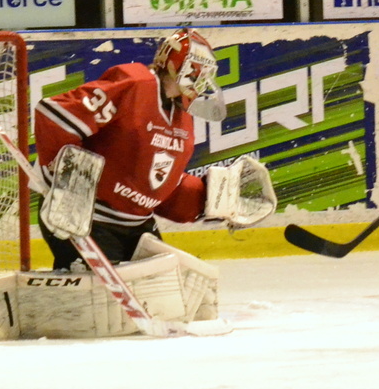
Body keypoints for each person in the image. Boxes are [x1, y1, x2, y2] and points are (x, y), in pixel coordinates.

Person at [32, 27, 274, 269]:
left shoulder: (181, 115)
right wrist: (68, 182)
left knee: (165, 293)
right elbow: (57, 116)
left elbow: (156, 185)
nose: (203, 84)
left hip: (137, 226)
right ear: (183, 67)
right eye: (201, 74)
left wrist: (209, 199)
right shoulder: (135, 84)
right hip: (88, 219)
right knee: (97, 302)